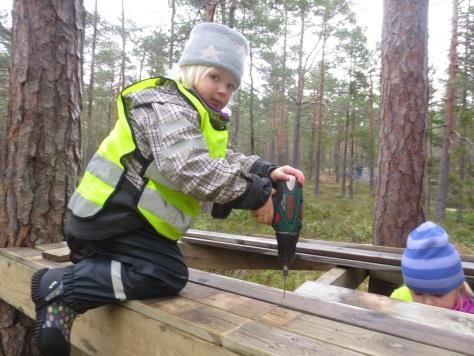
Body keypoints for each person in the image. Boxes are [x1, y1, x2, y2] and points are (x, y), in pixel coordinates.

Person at [31, 22, 305, 356]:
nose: (223, 90)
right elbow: (188, 167)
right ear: (191, 70)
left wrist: (264, 170)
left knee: (164, 269)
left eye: (231, 84)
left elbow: (221, 157)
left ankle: (82, 279)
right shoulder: (166, 106)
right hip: (110, 222)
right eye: (215, 77)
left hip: (128, 227)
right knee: (165, 274)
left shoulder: (196, 112)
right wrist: (259, 195)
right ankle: (60, 287)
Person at [391, 221, 474, 314]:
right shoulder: (400, 300)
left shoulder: (469, 314)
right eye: (418, 293)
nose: (427, 303)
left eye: (438, 295)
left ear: (458, 288)